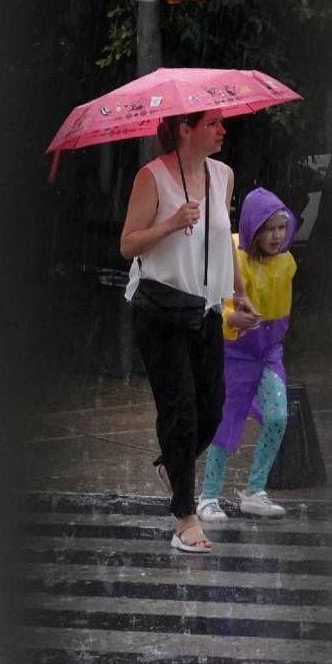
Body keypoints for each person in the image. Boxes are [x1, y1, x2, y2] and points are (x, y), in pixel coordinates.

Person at [119, 109, 259, 553]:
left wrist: (238, 293)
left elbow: (223, 239)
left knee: (212, 410)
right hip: (160, 308)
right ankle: (185, 517)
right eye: (213, 123)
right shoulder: (152, 177)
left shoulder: (224, 175)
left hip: (205, 310)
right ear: (185, 129)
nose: (223, 130)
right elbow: (128, 245)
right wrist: (170, 223)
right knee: (180, 411)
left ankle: (171, 465)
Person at [196, 187, 298, 523]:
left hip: (267, 353)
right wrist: (231, 320)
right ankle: (208, 495)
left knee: (278, 416)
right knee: (225, 424)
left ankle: (255, 490)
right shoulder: (233, 256)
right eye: (269, 228)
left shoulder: (286, 262)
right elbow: (214, 302)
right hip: (234, 354)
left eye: (281, 227)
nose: (276, 235)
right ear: (254, 227)